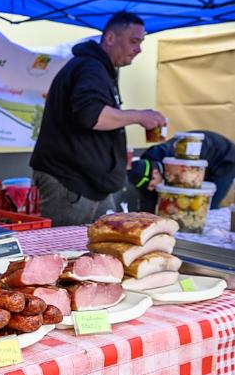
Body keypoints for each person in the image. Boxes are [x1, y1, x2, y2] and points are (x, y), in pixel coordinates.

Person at [30, 12, 167, 226]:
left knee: (105, 247)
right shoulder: (89, 67)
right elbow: (91, 115)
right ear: (110, 38)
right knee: (64, 252)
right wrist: (139, 116)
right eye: (133, 41)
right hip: (71, 183)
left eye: (141, 42)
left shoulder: (100, 70)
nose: (138, 49)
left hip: (93, 185)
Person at [128, 130, 235, 212]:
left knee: (205, 205)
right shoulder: (147, 167)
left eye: (151, 185)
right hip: (203, 160)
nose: (151, 189)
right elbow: (148, 197)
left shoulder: (175, 162)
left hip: (224, 157)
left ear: (155, 173)